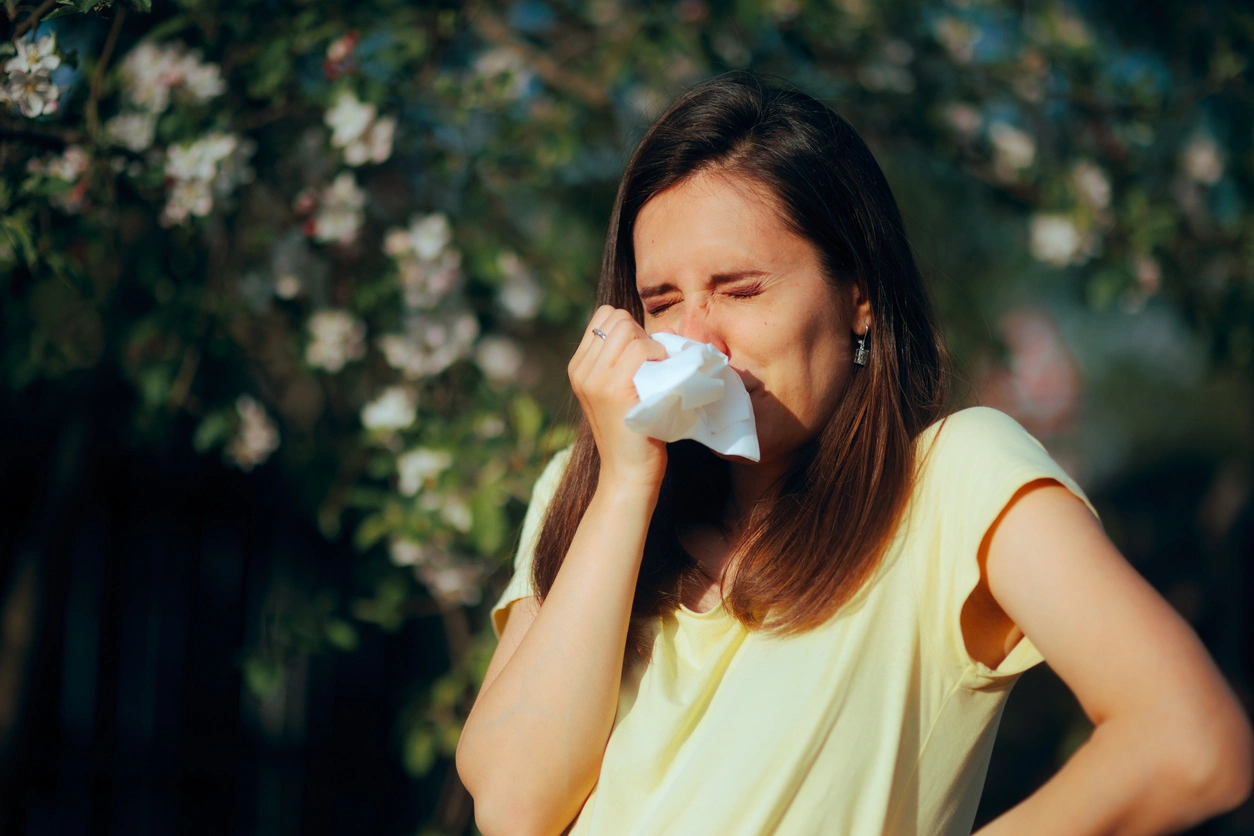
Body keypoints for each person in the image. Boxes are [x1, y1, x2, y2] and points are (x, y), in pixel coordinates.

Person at [455, 71, 1253, 836]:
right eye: (662, 303)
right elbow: (514, 808)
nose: (697, 342)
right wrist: (626, 487)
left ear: (858, 299)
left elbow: (1189, 742)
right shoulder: (589, 493)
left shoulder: (951, 484)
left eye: (741, 290)